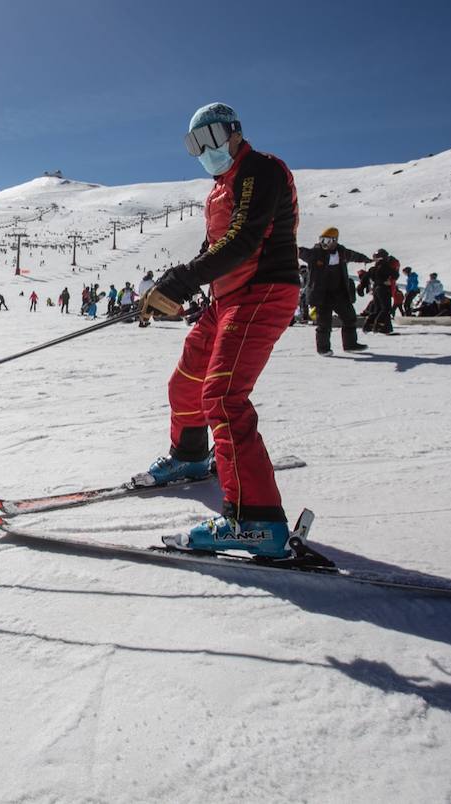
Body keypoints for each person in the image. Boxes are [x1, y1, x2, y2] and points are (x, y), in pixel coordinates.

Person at [138, 101, 300, 559]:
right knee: (186, 380)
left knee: (224, 397)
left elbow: (244, 239)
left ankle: (256, 522)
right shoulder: (219, 189)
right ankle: (190, 456)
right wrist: (172, 293)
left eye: (209, 138)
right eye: (194, 144)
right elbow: (215, 249)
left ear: (233, 132)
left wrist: (184, 278)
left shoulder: (259, 170)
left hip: (262, 290)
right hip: (226, 299)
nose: (203, 150)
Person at [298, 227, 370, 356]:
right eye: (322, 240)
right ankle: (323, 348)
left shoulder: (342, 252)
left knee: (350, 318)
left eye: (327, 240)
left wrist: (366, 259)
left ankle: (350, 344)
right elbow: (301, 252)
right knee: (324, 323)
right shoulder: (315, 253)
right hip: (322, 295)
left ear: (335, 240)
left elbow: (354, 255)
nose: (324, 243)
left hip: (339, 293)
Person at [362, 249, 399, 334]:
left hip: (376, 288)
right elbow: (395, 275)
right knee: (386, 308)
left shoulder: (374, 268)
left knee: (378, 308)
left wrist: (362, 287)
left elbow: (367, 276)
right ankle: (378, 326)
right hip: (384, 289)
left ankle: (369, 325)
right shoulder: (385, 266)